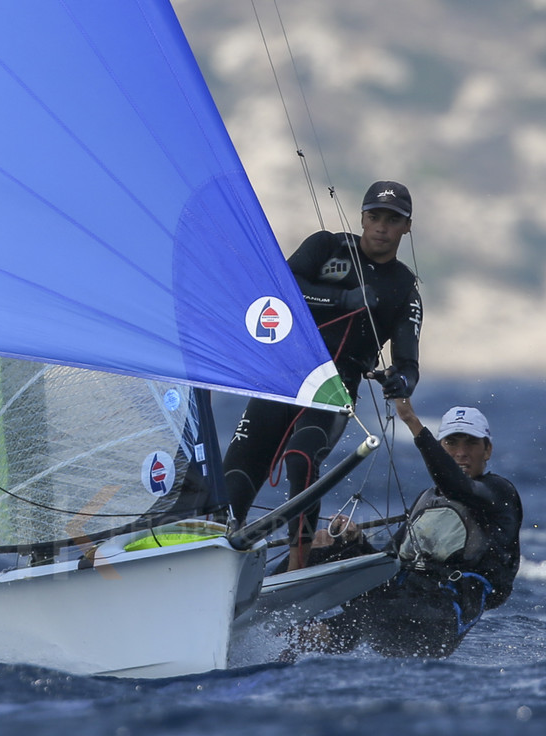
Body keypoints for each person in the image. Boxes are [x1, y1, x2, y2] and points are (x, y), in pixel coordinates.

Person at [223, 180, 423, 568]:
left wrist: (402, 380)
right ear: (362, 218)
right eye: (374, 216)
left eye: (392, 220)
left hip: (335, 387)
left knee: (300, 459)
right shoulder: (326, 246)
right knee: (236, 476)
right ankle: (219, 556)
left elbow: (408, 362)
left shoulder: (404, 287)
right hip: (283, 373)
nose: (381, 226)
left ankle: (297, 566)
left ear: (406, 227)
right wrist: (340, 299)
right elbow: (282, 285)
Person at [297, 398, 522, 658]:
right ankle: (255, 614)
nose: (461, 452)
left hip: (439, 618)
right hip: (400, 599)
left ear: (487, 450)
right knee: (324, 546)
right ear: (441, 448)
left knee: (367, 614)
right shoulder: (428, 498)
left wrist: (412, 421)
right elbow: (390, 561)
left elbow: (458, 486)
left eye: (471, 443)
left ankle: (288, 641)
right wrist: (354, 540)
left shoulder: (498, 492)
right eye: (451, 443)